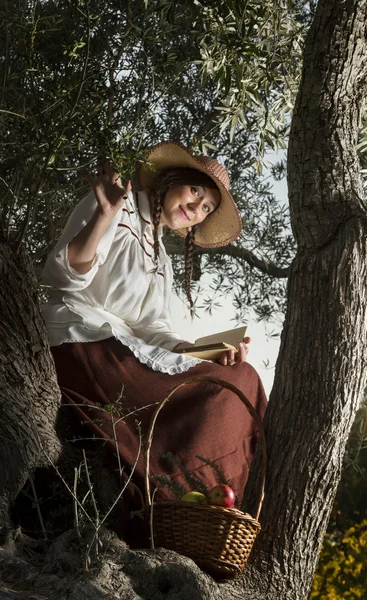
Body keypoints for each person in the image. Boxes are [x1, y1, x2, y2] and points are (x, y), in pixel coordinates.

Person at [41, 140, 268, 547]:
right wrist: (103, 218)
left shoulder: (160, 254)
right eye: (196, 192)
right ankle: (172, 503)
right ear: (172, 179)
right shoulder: (120, 206)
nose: (196, 208)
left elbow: (154, 331)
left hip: (125, 348)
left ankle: (206, 517)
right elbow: (65, 275)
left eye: (205, 209)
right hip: (84, 339)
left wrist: (208, 352)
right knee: (217, 395)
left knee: (241, 378)